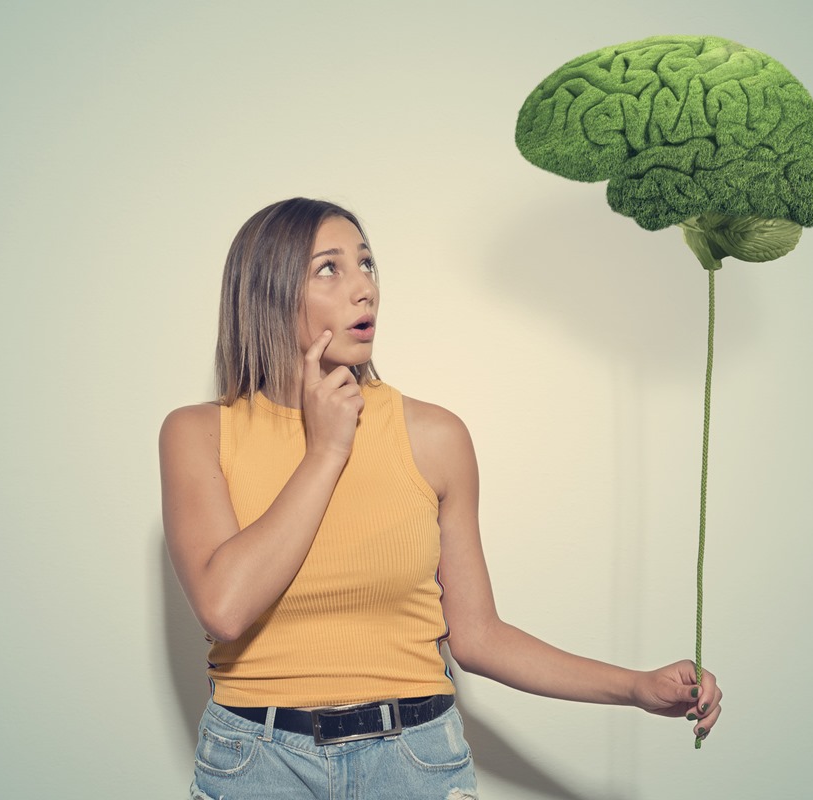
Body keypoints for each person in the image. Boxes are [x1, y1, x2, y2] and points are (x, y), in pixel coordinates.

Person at [160, 197, 722, 799]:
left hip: (414, 759)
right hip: (258, 763)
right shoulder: (198, 435)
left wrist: (635, 687)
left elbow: (478, 636)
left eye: (367, 264)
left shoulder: (433, 436)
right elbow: (224, 608)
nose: (364, 289)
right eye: (330, 268)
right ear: (267, 290)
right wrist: (326, 451)